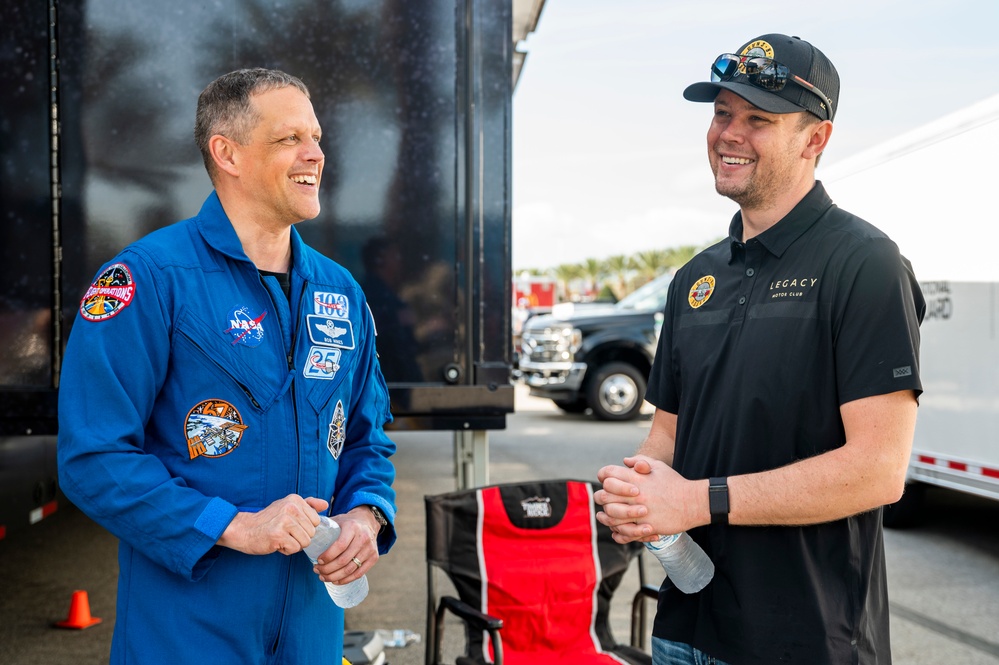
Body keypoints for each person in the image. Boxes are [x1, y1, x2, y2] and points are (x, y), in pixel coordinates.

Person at [594, 34, 924, 664]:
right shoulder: (696, 279)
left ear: (815, 139)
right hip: (685, 629)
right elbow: (669, 431)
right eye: (722, 113)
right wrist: (637, 487)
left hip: (805, 639)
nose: (729, 134)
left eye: (758, 119)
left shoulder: (863, 264)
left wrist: (695, 500)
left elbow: (879, 469)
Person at [57, 68, 397, 664]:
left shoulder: (339, 293)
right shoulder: (147, 280)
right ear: (227, 153)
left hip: (311, 638)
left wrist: (367, 517)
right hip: (186, 636)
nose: (316, 154)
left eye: (316, 137)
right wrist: (234, 527)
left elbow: (368, 439)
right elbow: (94, 458)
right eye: (290, 138)